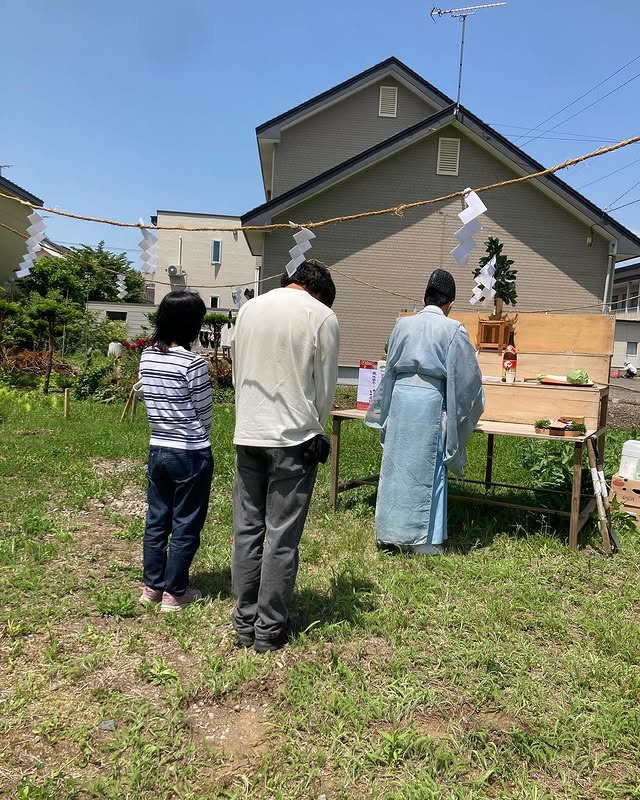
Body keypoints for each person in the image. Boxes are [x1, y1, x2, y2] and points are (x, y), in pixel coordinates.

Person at [230, 260, 340, 652]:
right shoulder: (322, 317)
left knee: (248, 529)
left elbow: (237, 371)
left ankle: (244, 623)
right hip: (293, 438)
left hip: (248, 431)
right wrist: (317, 428)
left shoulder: (249, 309)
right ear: (321, 292)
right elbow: (325, 387)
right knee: (281, 536)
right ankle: (269, 629)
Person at [366, 269, 484, 555]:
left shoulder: (402, 325)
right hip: (430, 402)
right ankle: (424, 542)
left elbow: (389, 367)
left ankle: (389, 532)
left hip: (400, 399)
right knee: (428, 468)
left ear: (424, 298)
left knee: (396, 466)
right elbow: (468, 379)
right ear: (450, 304)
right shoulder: (453, 329)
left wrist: (385, 408)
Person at [138, 289, 214, 612]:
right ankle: (175, 592)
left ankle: (152, 587)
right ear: (192, 325)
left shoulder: (147, 356)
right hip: (190, 451)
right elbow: (205, 411)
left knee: (157, 519)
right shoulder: (193, 363)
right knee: (186, 522)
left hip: (158, 447)